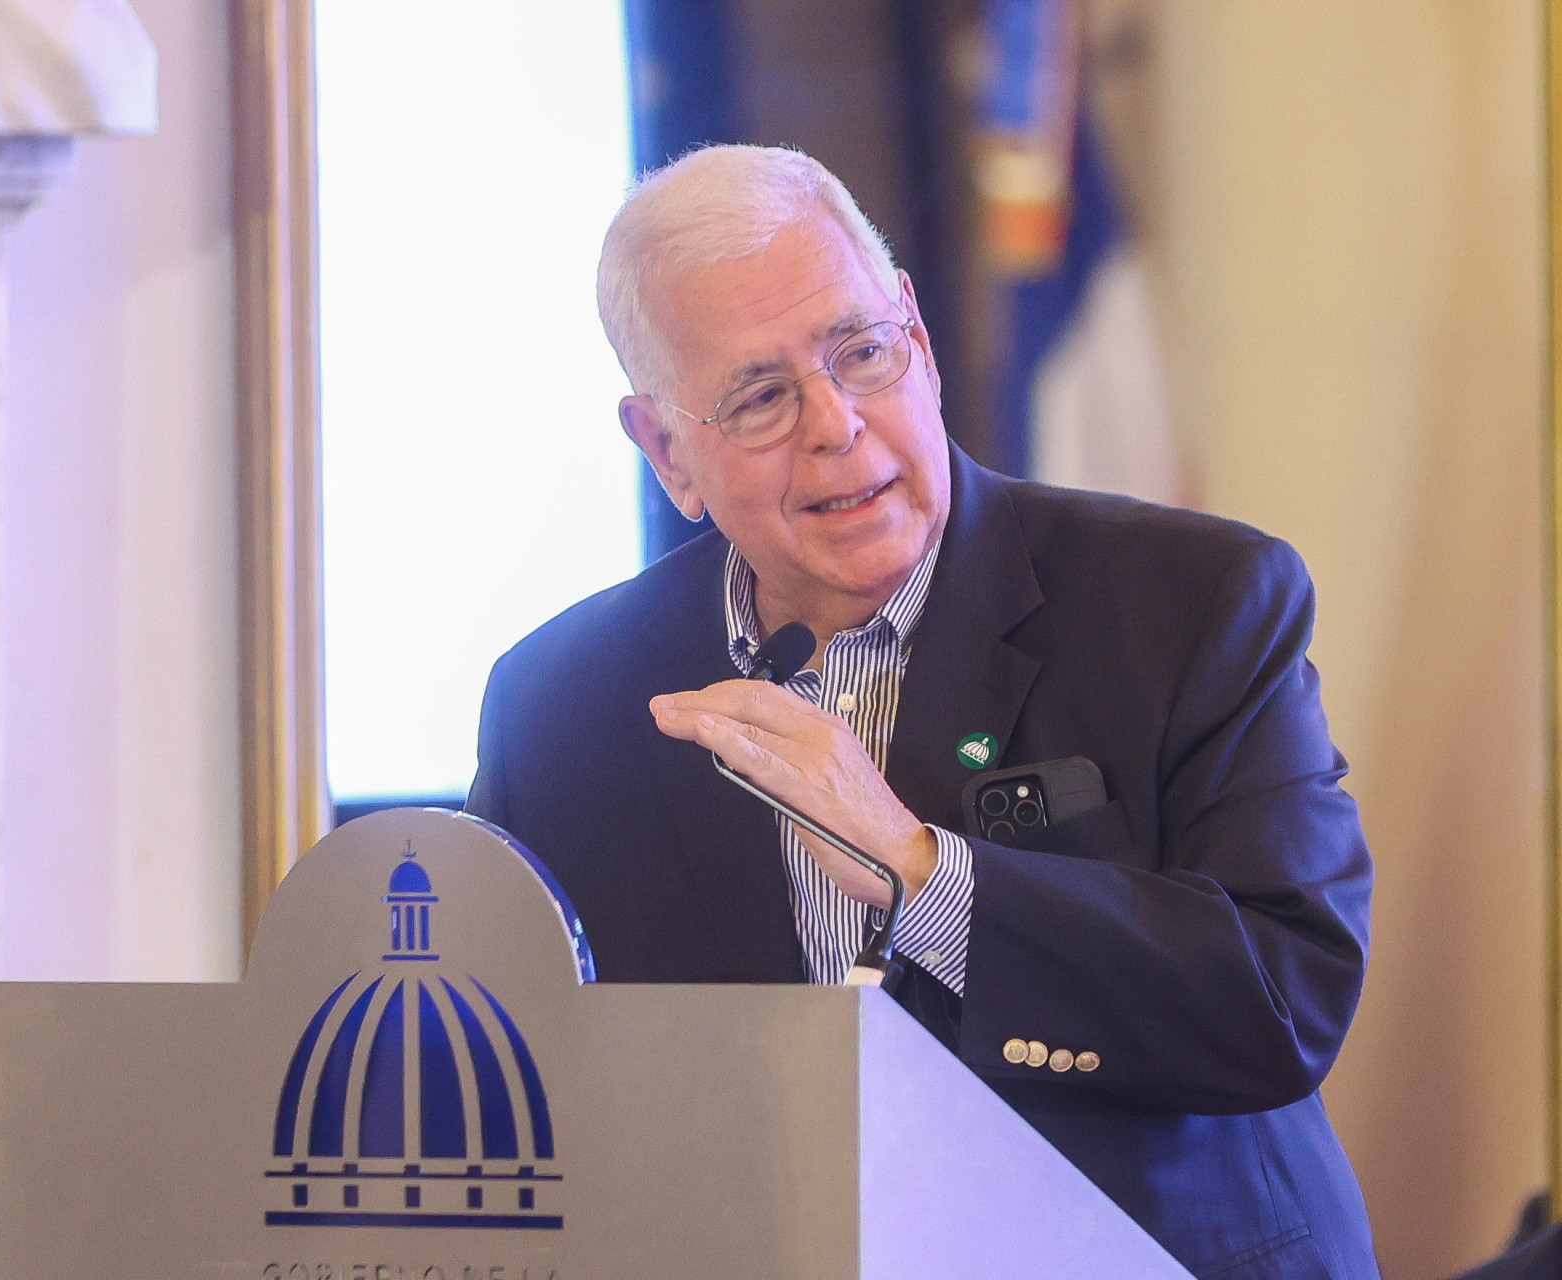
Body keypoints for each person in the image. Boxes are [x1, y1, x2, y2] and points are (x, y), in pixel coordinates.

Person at [465, 145, 1377, 1279]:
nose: (837, 423)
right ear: (666, 451)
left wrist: (922, 871)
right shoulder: (562, 708)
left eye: (860, 352)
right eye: (761, 397)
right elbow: (513, 1095)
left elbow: (1283, 998)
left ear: (922, 345)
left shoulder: (1194, 602)